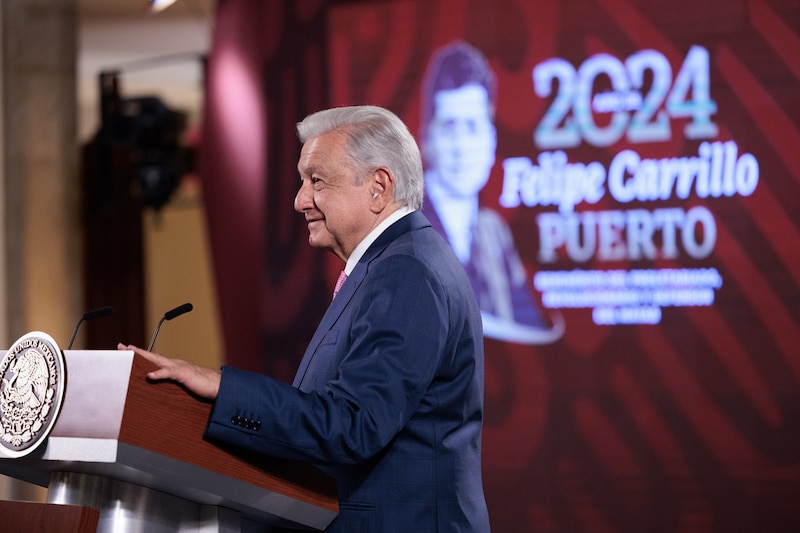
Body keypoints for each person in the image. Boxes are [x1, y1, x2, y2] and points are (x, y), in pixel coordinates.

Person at [120, 105, 491, 532]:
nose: (300, 201)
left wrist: (223, 389)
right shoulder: (393, 265)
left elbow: (354, 425)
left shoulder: (407, 272)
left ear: (378, 187)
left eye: (316, 180)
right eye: (302, 181)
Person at [419, 41, 563, 344]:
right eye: (448, 128)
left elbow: (529, 331)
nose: (461, 147)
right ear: (426, 137)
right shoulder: (404, 228)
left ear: (491, 139)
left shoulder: (493, 231)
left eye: (472, 127)